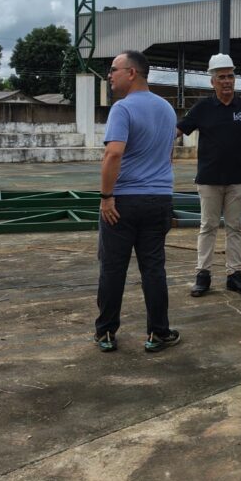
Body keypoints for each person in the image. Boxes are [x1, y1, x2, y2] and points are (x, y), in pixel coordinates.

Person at [94, 50, 180, 353]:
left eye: (113, 69)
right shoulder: (167, 109)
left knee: (113, 268)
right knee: (153, 268)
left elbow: (113, 153)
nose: (109, 75)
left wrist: (106, 197)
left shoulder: (122, 108)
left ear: (131, 73)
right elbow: (168, 155)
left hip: (124, 202)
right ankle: (159, 332)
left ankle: (106, 332)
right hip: (159, 199)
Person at [177, 53, 241, 298]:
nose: (227, 81)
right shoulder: (203, 108)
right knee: (208, 226)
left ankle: (234, 274)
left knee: (235, 227)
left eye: (230, 76)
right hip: (209, 180)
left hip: (238, 180)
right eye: (222, 77)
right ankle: (203, 274)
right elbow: (178, 130)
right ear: (212, 81)